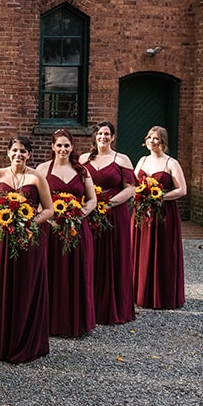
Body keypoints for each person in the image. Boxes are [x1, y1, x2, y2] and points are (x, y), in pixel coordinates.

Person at [0, 136, 55, 363]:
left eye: (23, 151)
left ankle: (24, 340)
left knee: (25, 286)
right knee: (0, 286)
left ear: (29, 154)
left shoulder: (37, 177)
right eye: (14, 150)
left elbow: (49, 210)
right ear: (8, 152)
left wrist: (28, 223)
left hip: (30, 241)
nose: (19, 154)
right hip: (3, 240)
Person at [35, 128, 96, 337]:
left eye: (66, 145)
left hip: (77, 229)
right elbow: (35, 201)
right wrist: (50, 218)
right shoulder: (42, 170)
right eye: (59, 145)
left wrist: (79, 215)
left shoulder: (82, 171)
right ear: (52, 147)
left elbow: (92, 199)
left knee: (76, 272)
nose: (63, 149)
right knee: (50, 272)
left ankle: (75, 321)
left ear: (72, 147)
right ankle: (49, 322)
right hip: (50, 230)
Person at [79, 122, 137, 325]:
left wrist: (109, 203)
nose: (103, 137)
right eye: (100, 133)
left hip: (114, 214)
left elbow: (130, 188)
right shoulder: (83, 159)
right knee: (89, 255)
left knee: (114, 256)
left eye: (107, 134)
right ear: (94, 137)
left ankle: (113, 307)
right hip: (89, 214)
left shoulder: (121, 159)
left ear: (112, 137)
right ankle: (89, 306)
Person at [132, 126, 186, 309]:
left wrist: (160, 197)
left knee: (161, 251)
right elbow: (132, 184)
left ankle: (162, 295)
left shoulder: (171, 163)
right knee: (140, 250)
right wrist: (139, 194)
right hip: (142, 213)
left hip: (164, 214)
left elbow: (181, 190)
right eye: (149, 138)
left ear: (163, 141)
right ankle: (139, 292)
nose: (152, 141)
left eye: (156, 138)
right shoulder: (142, 160)